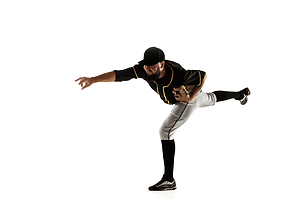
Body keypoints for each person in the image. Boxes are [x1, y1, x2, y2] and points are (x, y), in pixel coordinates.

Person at [75, 47, 251, 191]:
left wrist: (191, 96)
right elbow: (119, 75)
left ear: (161, 64)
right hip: (188, 98)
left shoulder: (178, 73)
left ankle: (169, 179)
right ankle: (241, 95)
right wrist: (92, 80)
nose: (147, 69)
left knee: (165, 131)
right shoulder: (143, 70)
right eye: (146, 66)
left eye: (152, 67)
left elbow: (202, 75)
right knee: (211, 99)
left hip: (185, 102)